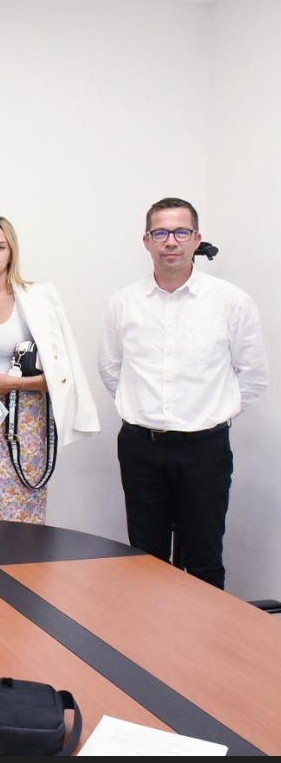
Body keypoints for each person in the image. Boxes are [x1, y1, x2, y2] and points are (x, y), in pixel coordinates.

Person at [98, 197, 268, 589]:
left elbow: (253, 376)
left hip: (205, 449)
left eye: (180, 232)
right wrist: (146, 409)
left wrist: (210, 412)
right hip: (141, 448)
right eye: (160, 232)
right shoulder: (122, 304)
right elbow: (111, 369)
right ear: (146, 241)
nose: (170, 241)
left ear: (196, 239)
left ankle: (204, 632)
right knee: (145, 561)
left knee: (204, 561)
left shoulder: (230, 302)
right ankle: (149, 631)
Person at [0, 215, 99, 522]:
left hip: (23, 424)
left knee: (21, 521)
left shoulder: (38, 299)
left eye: (0, 247)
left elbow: (63, 377)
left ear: (12, 252)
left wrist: (16, 384)